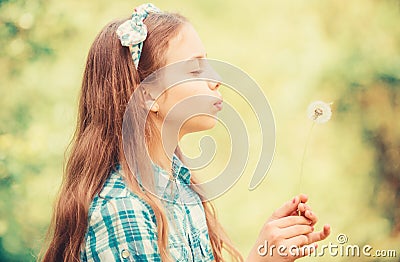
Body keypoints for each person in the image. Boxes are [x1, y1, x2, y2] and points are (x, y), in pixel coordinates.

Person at [41, 3, 330, 262]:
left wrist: (270, 249)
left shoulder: (180, 191)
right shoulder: (124, 208)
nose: (216, 79)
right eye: (195, 69)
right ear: (148, 96)